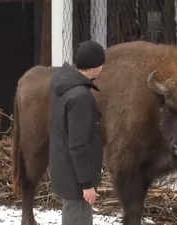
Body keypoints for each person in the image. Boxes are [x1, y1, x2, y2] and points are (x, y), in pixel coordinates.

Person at [48, 40, 105, 225]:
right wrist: (87, 183)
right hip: (75, 174)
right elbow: (78, 144)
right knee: (75, 215)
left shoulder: (66, 86)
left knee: (81, 213)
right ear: (96, 65)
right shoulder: (80, 96)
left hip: (67, 167)